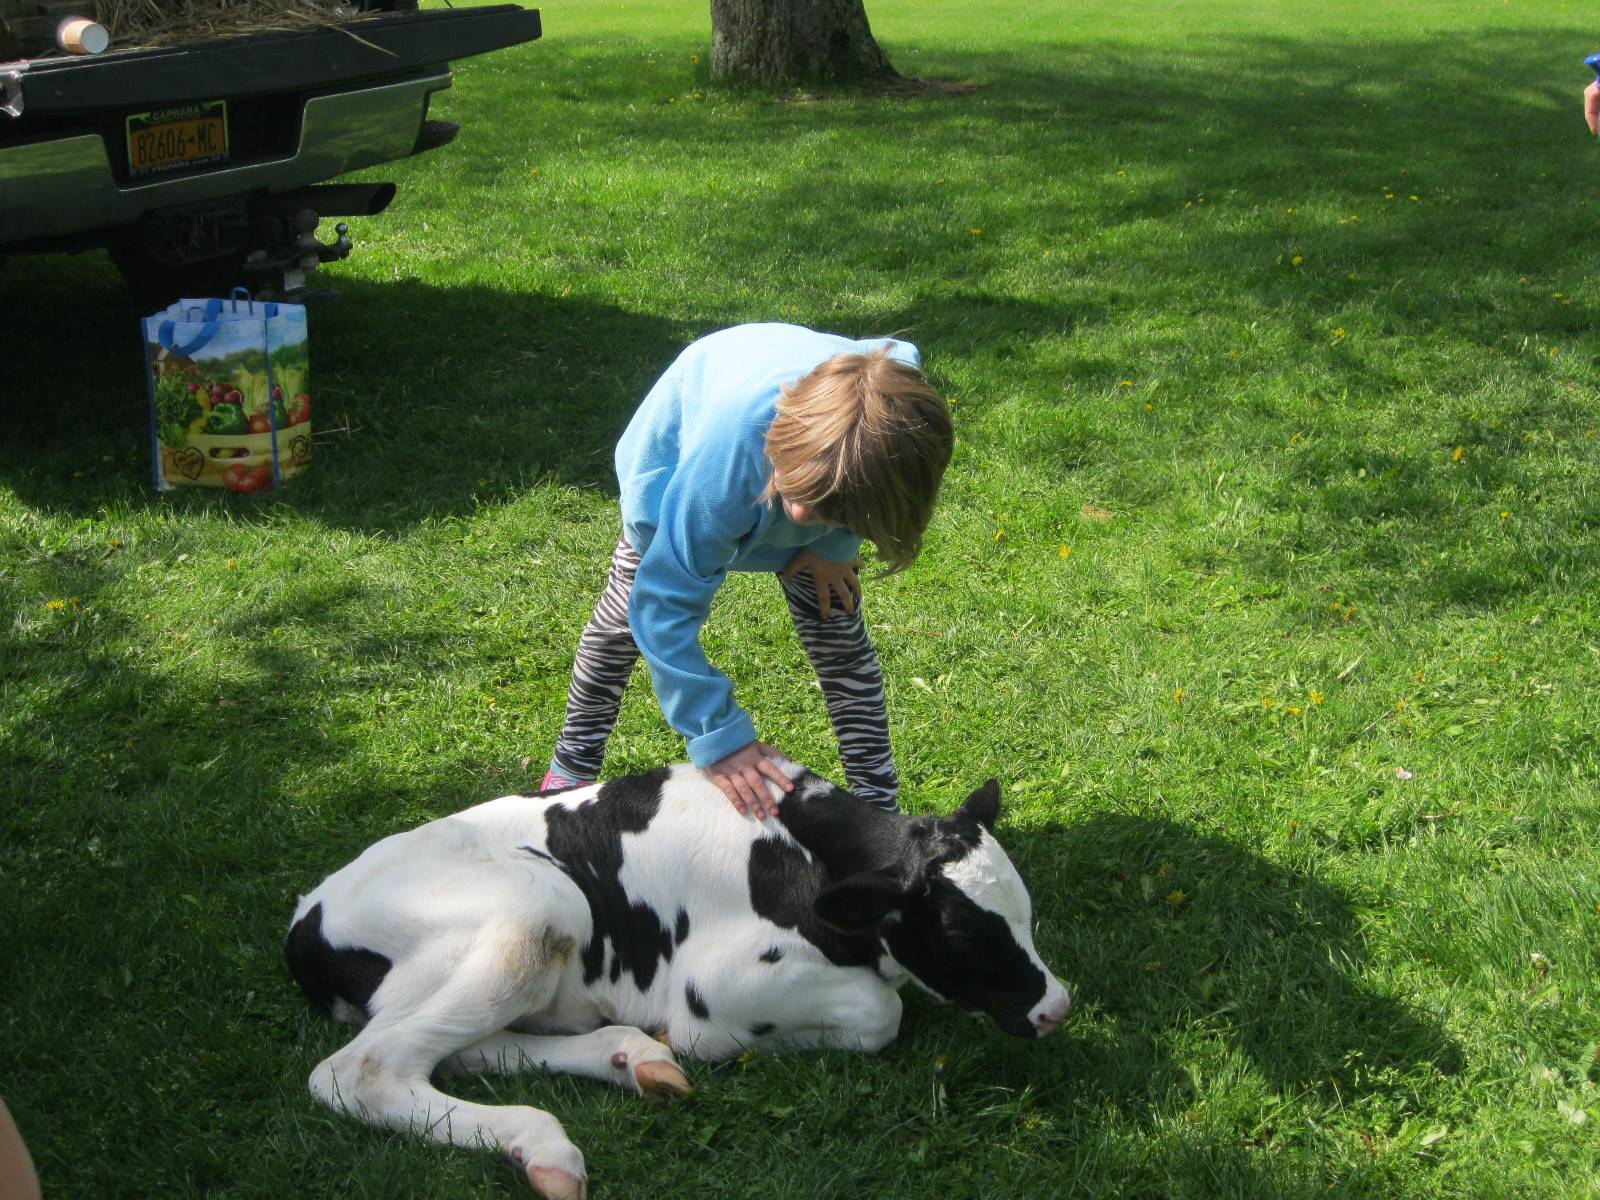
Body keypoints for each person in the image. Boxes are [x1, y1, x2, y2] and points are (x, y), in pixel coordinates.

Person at [541, 322, 953, 818]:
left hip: (791, 465)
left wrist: (837, 544)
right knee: (622, 624)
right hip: (683, 472)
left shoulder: (900, 424)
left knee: (839, 636)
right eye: (802, 494)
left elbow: (867, 490)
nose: (800, 519)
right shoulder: (722, 465)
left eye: (831, 510)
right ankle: (569, 770)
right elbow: (660, 609)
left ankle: (879, 810)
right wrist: (719, 736)